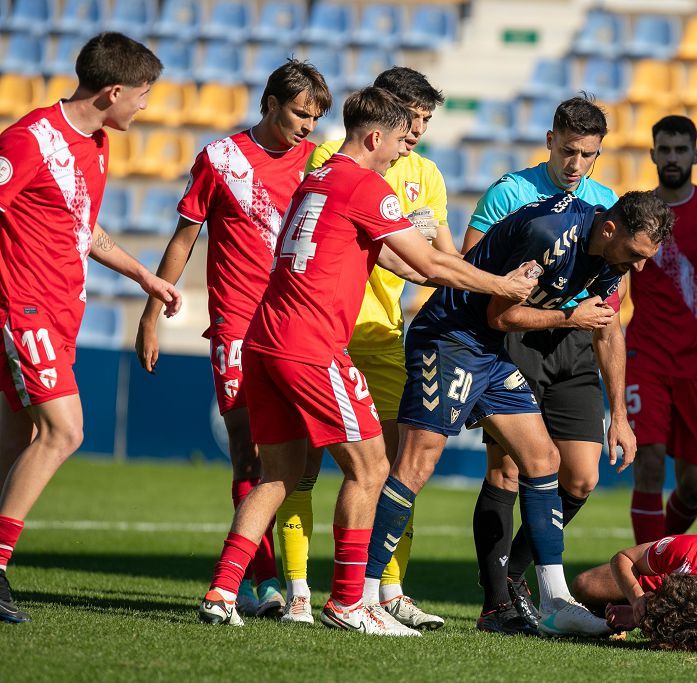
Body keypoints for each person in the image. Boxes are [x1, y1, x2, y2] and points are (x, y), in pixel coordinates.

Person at [197, 86, 537, 636]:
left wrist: (461, 278)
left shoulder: (318, 177)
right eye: (401, 140)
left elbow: (412, 268)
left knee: (278, 474)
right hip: (312, 347)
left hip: (265, 341)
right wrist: (501, 284)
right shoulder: (365, 184)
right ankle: (350, 601)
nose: (405, 151)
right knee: (374, 467)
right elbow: (428, 258)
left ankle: (221, 589)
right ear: (375, 137)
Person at [362, 190, 672, 638]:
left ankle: (554, 600)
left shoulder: (609, 257)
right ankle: (362, 594)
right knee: (416, 464)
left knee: (544, 460)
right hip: (449, 339)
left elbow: (605, 326)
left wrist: (618, 416)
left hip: (487, 354)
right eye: (637, 254)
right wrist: (570, 317)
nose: (640, 266)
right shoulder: (550, 235)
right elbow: (499, 316)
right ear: (611, 229)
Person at [135, 59, 332, 621]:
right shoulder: (220, 160)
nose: (308, 126)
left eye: (316, 116)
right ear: (270, 102)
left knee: (297, 459)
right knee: (249, 449)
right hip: (238, 326)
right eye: (299, 113)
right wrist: (153, 312)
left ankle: (283, 578)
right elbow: (184, 239)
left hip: (300, 327)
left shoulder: (319, 163)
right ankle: (260, 579)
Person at [0, 32, 180, 623]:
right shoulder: (30, 140)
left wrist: (144, 279)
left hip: (59, 313)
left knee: (15, 443)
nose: (147, 107)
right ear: (113, 91)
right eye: (144, 95)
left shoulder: (98, 145)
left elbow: (86, 230)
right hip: (23, 309)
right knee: (65, 431)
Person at [281, 66, 453, 629]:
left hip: (383, 336)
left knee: (398, 469)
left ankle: (386, 589)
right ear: (386, 113)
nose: (418, 131)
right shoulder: (333, 157)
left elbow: (439, 254)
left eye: (426, 121)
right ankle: (301, 589)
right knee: (304, 467)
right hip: (325, 330)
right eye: (413, 119)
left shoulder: (426, 174)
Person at [460, 94, 636, 633]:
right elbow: (471, 272)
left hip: (575, 347)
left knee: (580, 479)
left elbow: (611, 314)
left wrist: (620, 413)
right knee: (508, 469)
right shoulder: (510, 193)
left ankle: (513, 572)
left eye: (587, 155)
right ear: (549, 142)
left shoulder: (608, 208)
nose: (575, 165)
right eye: (568, 151)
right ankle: (496, 604)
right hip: (514, 342)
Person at [626, 116, 697, 544]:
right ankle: (645, 578)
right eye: (664, 150)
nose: (672, 158)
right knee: (648, 461)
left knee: (693, 484)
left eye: (680, 150)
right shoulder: (636, 213)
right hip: (645, 356)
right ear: (652, 154)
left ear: (695, 155)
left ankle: (656, 556)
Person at [572, 534, 697, 654]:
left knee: (586, 590)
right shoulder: (692, 552)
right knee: (585, 585)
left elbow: (669, 638)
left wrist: (642, 620)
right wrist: (637, 600)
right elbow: (623, 558)